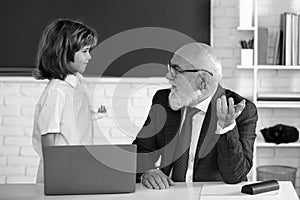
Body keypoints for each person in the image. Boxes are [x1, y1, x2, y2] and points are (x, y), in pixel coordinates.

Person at [132, 42, 258, 189]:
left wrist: (226, 127)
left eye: (176, 71)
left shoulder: (242, 110)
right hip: (167, 192)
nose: (168, 76)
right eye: (169, 68)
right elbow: (141, 148)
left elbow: (235, 176)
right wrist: (148, 170)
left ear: (203, 81)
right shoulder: (163, 100)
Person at [32, 18, 106, 183]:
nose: (90, 57)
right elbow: (48, 135)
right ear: (65, 53)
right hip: (60, 174)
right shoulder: (57, 91)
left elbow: (81, 117)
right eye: (85, 51)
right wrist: (54, 175)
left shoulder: (76, 85)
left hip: (77, 169)